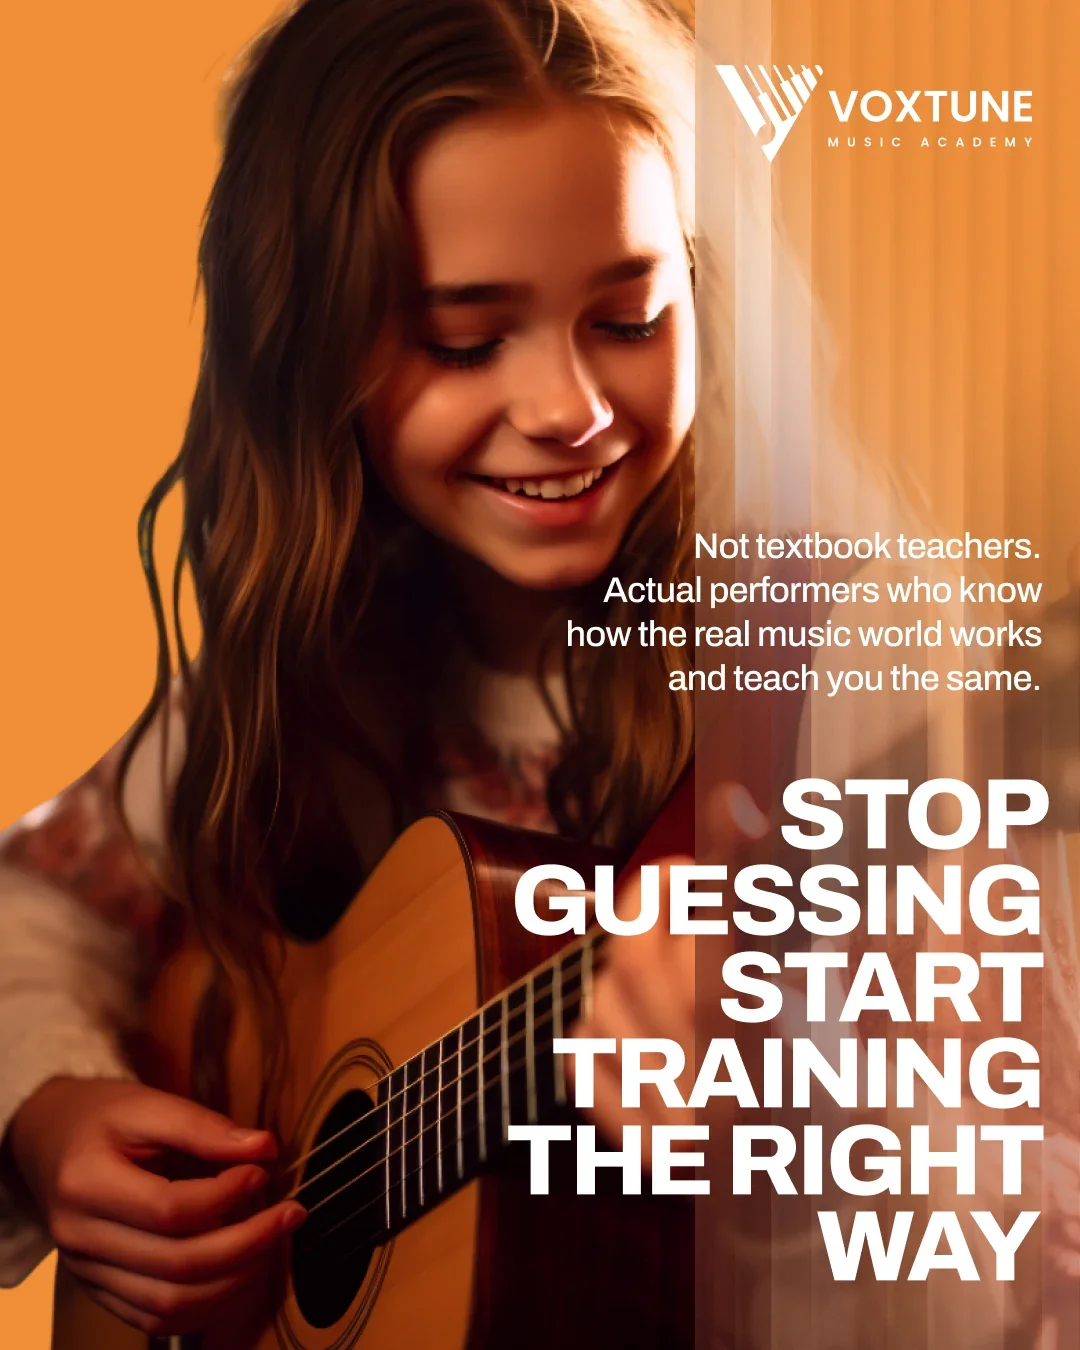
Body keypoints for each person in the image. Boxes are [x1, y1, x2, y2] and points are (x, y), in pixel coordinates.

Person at [0, 0, 705, 1338]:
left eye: (631, 314)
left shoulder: (818, 671)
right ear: (307, 357)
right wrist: (54, 1111)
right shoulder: (306, 670)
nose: (568, 407)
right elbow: (28, 906)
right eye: (462, 339)